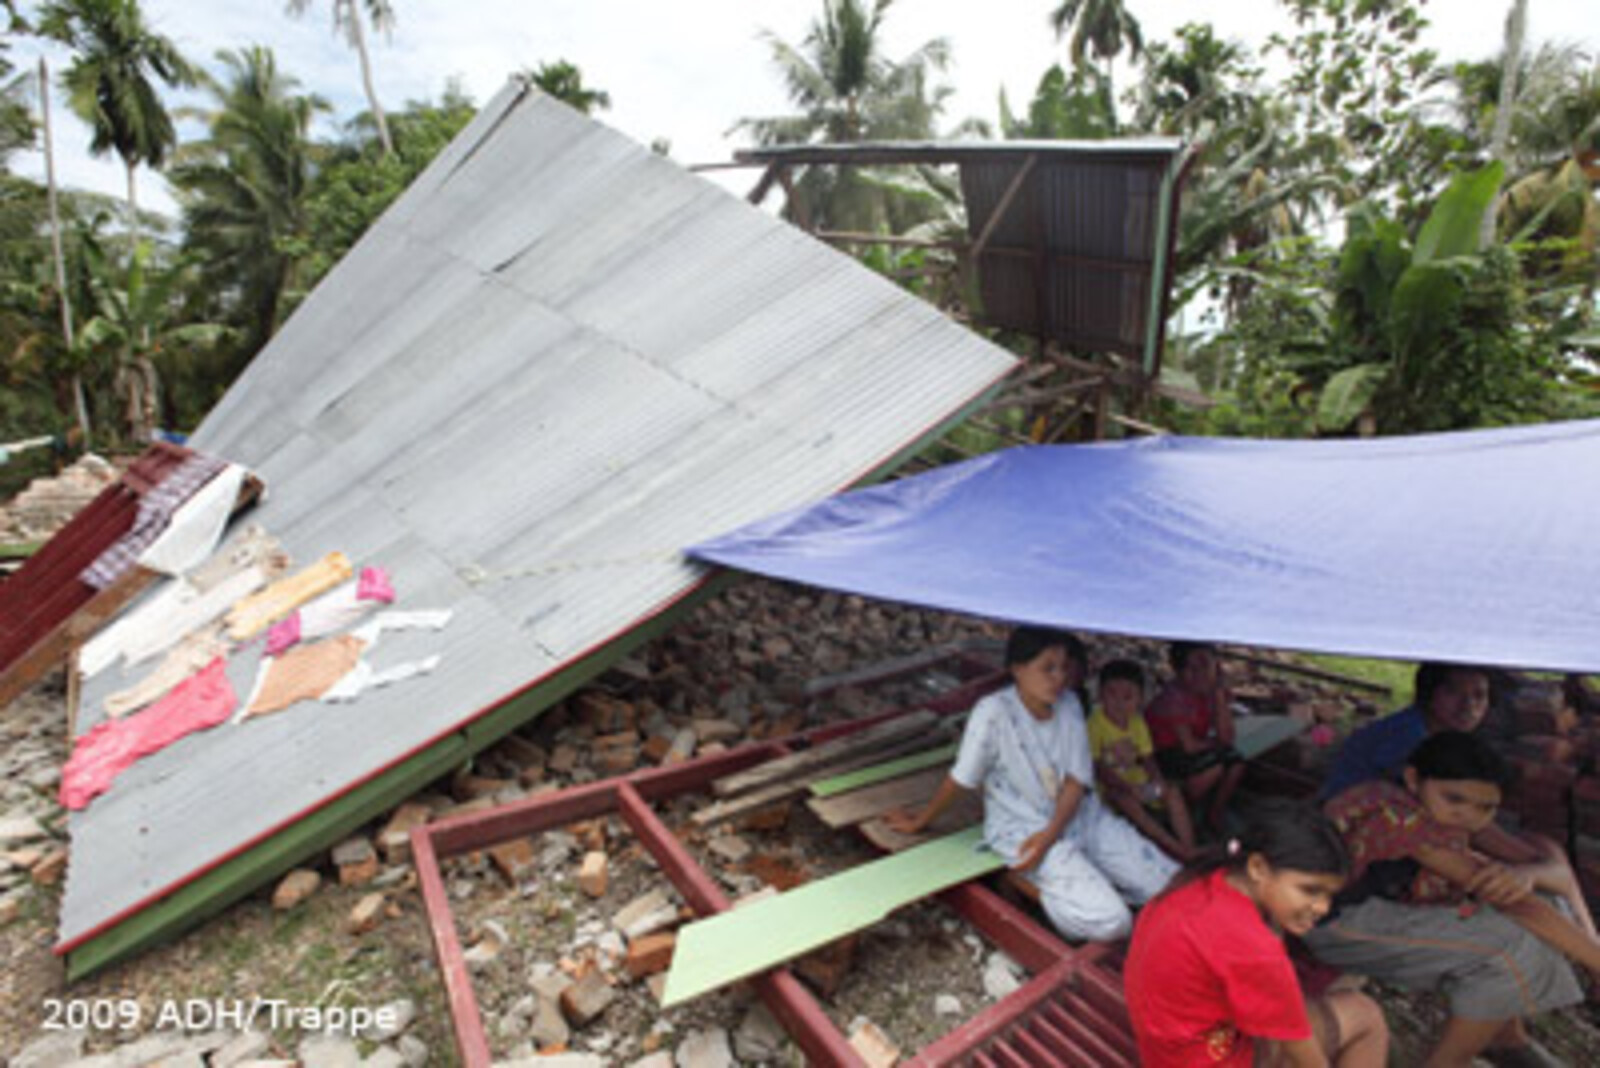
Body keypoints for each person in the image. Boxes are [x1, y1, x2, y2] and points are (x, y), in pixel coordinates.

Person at [1306, 732, 1592, 1068]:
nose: (1468, 816)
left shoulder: (1440, 812)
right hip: (1330, 922)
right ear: (1414, 779)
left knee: (1535, 913)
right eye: (1455, 799)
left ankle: (1504, 1040)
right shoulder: (1397, 817)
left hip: (1384, 910)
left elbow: (1549, 867)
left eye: (1485, 807)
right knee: (1508, 945)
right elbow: (1514, 902)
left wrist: (1528, 875)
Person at [884, 625, 1177, 941]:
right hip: (1024, 828)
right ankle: (1023, 881)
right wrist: (919, 823)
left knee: (1169, 884)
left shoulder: (1069, 705)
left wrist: (1051, 835)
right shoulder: (993, 713)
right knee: (1114, 922)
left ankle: (1088, 874)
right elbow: (961, 779)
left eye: (1063, 667)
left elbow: (1076, 782)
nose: (1059, 678)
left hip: (1079, 816)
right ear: (1017, 669)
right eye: (1047, 668)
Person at [1320, 662, 1596, 939]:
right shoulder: (1410, 740)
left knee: (1546, 852)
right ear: (1429, 694)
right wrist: (1537, 864)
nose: (1469, 705)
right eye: (1454, 693)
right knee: (1528, 874)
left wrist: (1541, 865)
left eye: (1479, 696)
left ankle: (1587, 934)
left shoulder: (1445, 737)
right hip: (1362, 844)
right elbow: (1462, 821)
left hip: (1418, 833)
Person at [1124, 800, 1390, 1067]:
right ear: (1258, 867)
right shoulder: (1254, 948)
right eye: (1310, 890)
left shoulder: (1202, 881)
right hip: (1212, 1058)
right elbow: (1304, 1054)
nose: (1323, 907)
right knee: (1366, 1017)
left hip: (1167, 1046)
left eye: (1329, 895)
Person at [1088, 658, 1196, 860]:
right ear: (1100, 695)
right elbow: (1099, 768)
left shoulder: (1137, 722)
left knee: (1172, 792)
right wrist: (1129, 788)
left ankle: (1188, 845)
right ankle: (1174, 847)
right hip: (1112, 789)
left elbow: (1148, 758)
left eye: (1128, 697)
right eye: (1111, 694)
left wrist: (1156, 780)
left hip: (1139, 783)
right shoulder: (1095, 723)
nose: (1119, 703)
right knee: (1125, 800)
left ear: (1140, 699)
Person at [1145, 641, 1245, 833]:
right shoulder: (1173, 697)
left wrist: (1217, 694)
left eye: (1205, 665)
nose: (1199, 674)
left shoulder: (1212, 693)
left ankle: (1215, 813)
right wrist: (1216, 744)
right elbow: (1189, 746)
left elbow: (1227, 736)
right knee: (1213, 767)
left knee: (1235, 761)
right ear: (1178, 671)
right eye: (1190, 668)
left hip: (1193, 750)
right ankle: (1187, 812)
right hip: (1164, 754)